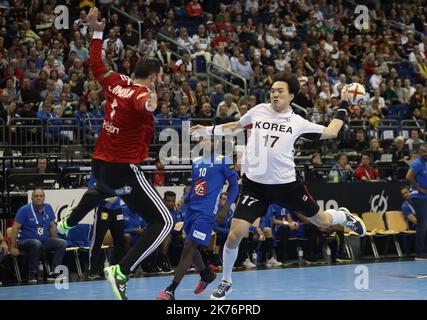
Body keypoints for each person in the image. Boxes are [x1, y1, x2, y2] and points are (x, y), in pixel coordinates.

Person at [191, 71, 366, 300]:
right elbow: (235, 126)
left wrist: (344, 101)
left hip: (286, 186)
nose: (274, 94)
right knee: (235, 235)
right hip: (255, 186)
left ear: (291, 95)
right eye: (272, 90)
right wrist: (208, 130)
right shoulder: (258, 111)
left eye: (280, 91)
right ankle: (226, 281)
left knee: (321, 221)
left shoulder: (298, 122)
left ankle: (343, 217)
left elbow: (332, 131)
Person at [57, 7, 173, 300]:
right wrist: (151, 101)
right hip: (124, 166)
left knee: (105, 191)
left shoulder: (115, 82)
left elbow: (96, 66)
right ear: (154, 78)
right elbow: (143, 106)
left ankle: (69, 220)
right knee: (165, 222)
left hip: (101, 163)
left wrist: (97, 32)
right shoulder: (139, 95)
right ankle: (122, 270)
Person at [156, 136, 239, 300]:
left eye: (212, 140)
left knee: (189, 245)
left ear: (217, 143)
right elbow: (196, 185)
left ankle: (171, 290)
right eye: (204, 139)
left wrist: (225, 207)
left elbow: (235, 185)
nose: (208, 142)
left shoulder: (224, 160)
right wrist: (185, 200)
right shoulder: (197, 161)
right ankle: (206, 274)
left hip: (207, 213)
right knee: (190, 249)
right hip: (191, 209)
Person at [9, 188, 67, 284]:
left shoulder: (48, 207)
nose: (38, 198)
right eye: (36, 196)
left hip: (43, 241)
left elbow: (52, 226)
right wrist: (13, 247)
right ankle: (32, 273)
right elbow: (15, 228)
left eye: (41, 196)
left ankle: (54, 272)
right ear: (31, 198)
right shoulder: (24, 210)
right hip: (25, 241)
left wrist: (54, 241)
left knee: (62, 243)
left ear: (44, 197)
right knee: (36, 243)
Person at [87, 176, 126, 280]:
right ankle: (93, 271)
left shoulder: (115, 173)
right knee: (97, 240)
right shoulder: (95, 175)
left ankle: (120, 270)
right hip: (102, 210)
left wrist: (116, 196)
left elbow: (124, 188)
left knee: (120, 241)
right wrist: (106, 198)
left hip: (117, 210)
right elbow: (91, 191)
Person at [406, 144, 427, 260]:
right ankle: (420, 252)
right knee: (422, 224)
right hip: (419, 197)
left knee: (425, 225)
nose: (426, 154)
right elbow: (409, 176)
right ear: (420, 152)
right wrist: (419, 188)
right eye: (424, 152)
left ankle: (424, 251)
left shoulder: (425, 163)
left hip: (425, 197)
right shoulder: (418, 163)